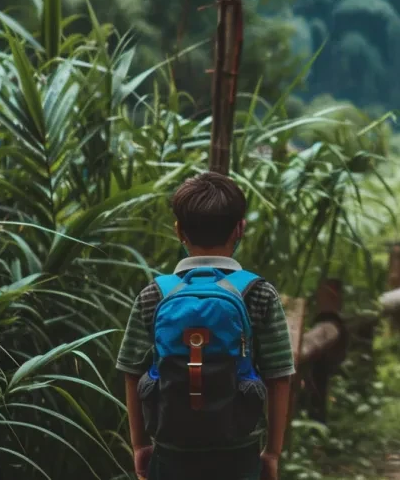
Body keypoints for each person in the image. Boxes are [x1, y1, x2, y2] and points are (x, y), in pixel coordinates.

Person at [116, 172, 296, 480]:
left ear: (179, 231)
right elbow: (279, 377)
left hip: (171, 451)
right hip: (238, 452)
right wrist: (273, 453)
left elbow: (132, 372)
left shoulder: (154, 294)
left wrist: (139, 445)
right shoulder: (259, 292)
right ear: (240, 229)